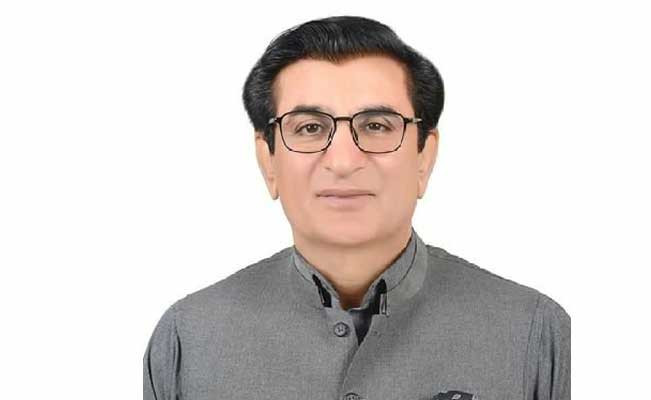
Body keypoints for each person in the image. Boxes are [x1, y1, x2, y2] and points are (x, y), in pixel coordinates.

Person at [143, 15, 570, 400]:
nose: (344, 161)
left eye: (377, 126)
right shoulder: (187, 341)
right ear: (268, 161)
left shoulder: (537, 337)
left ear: (424, 157)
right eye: (310, 127)